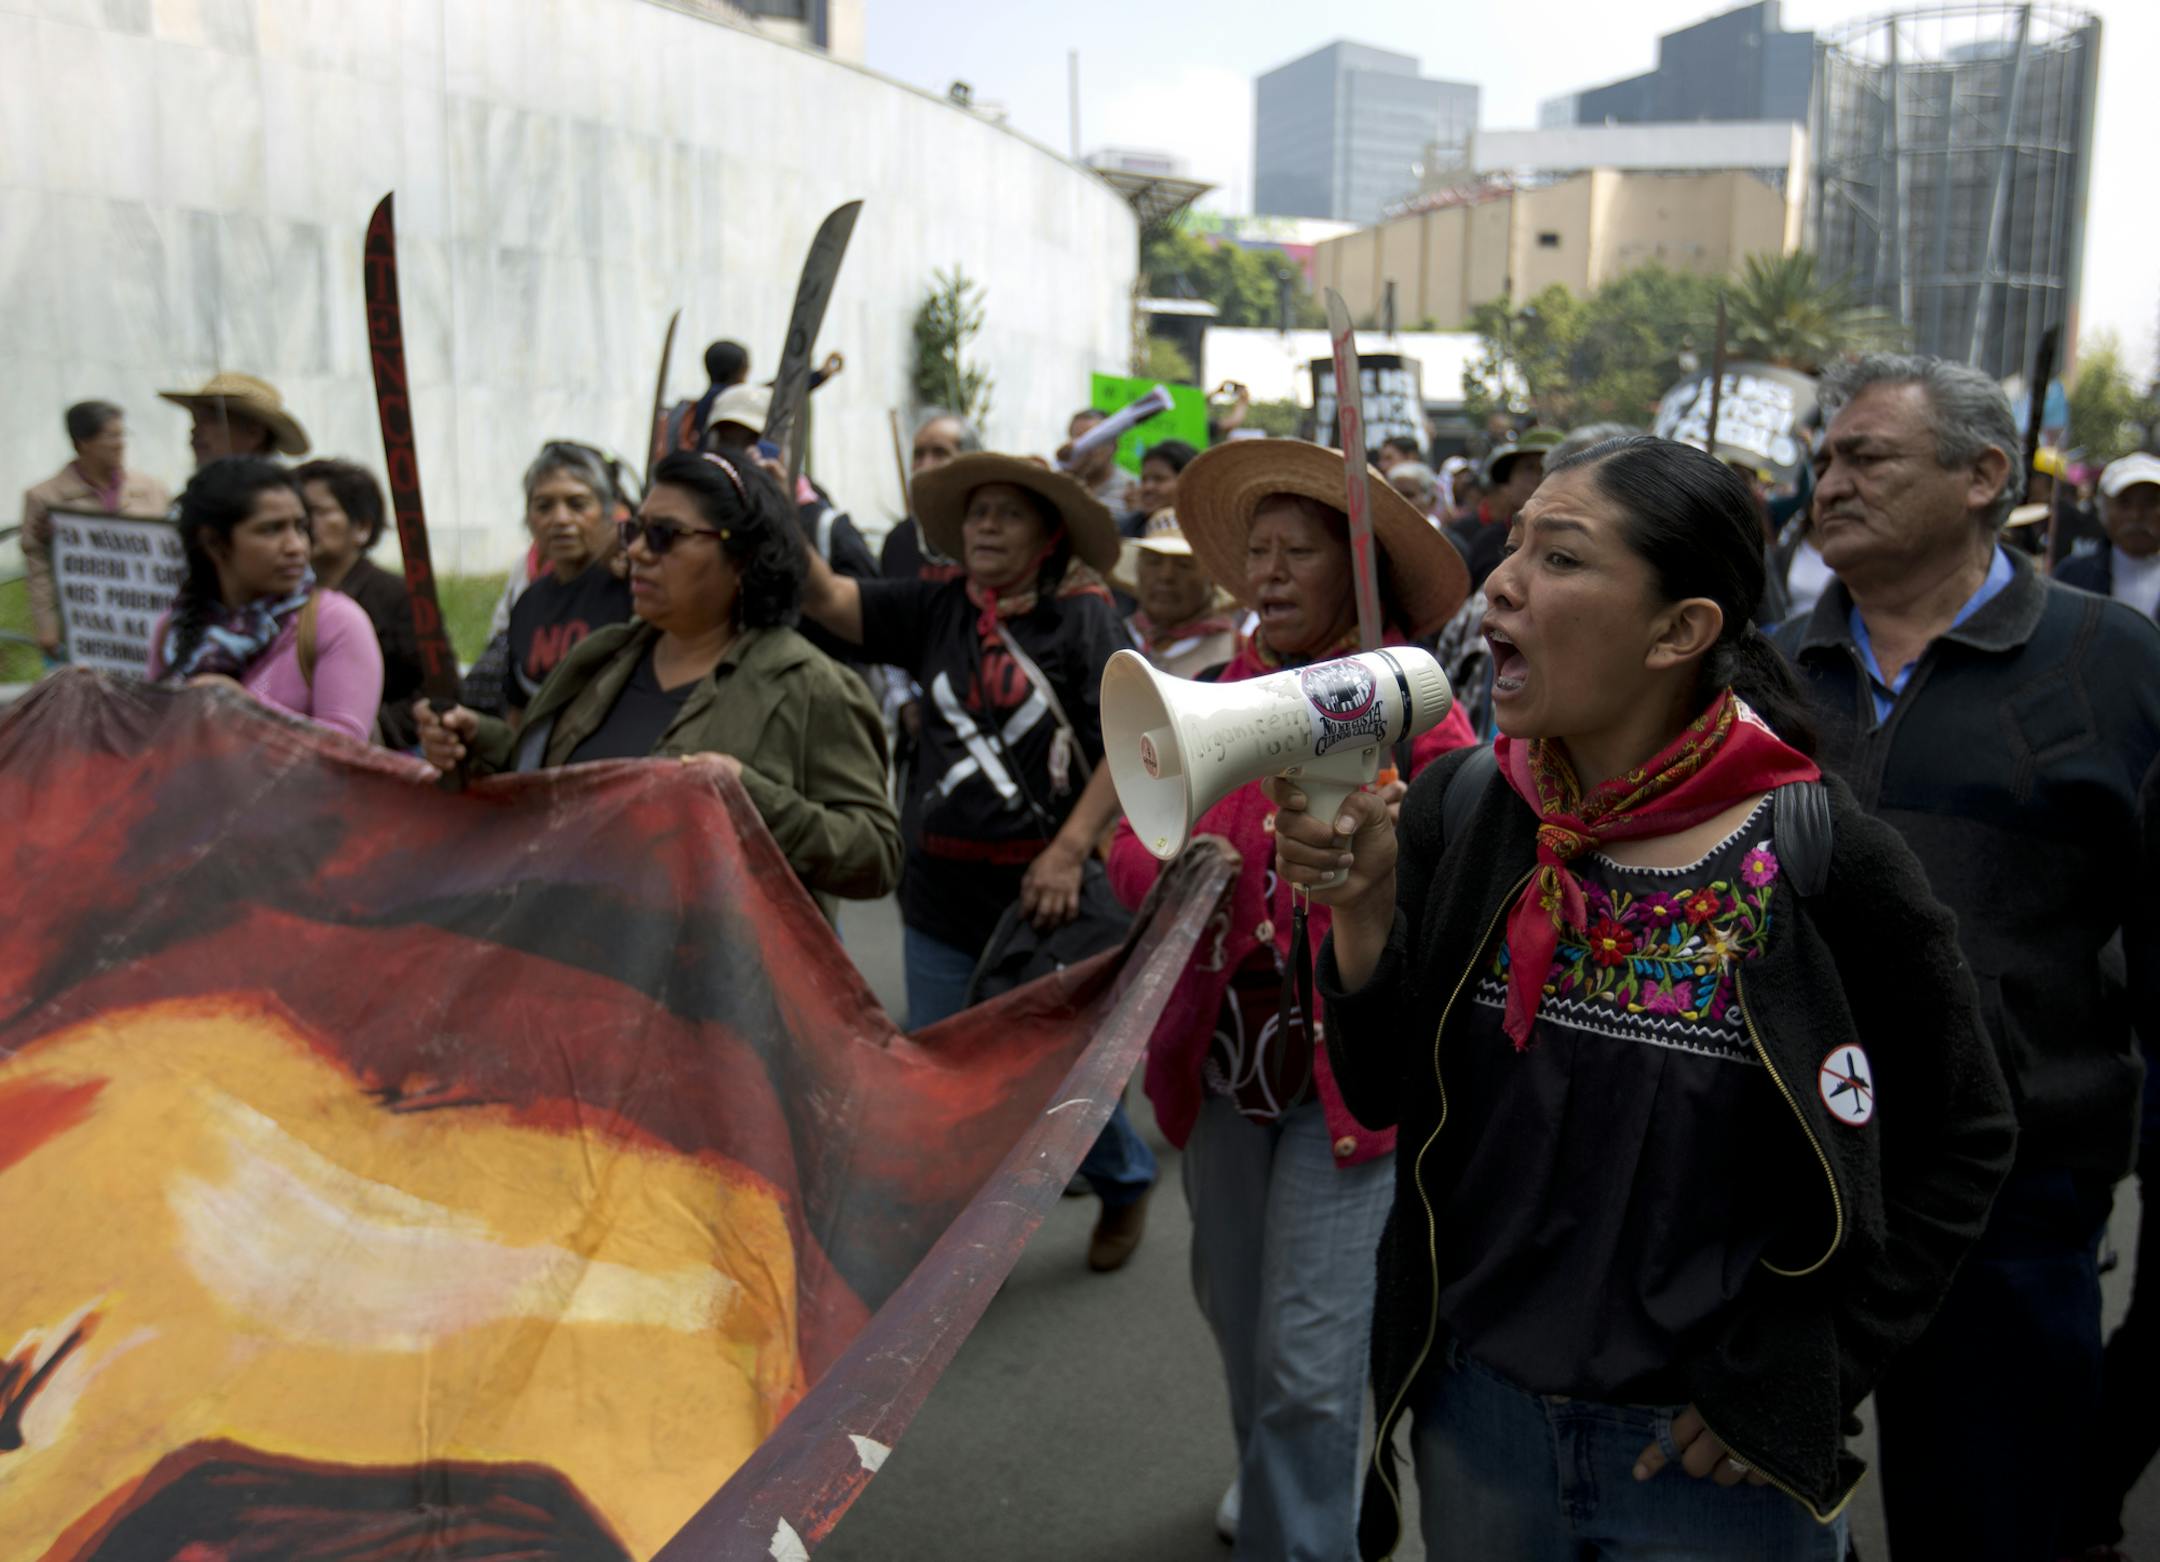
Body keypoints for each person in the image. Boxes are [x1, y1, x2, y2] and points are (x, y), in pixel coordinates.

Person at [1283, 433, 2015, 1562]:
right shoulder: (1464, 809)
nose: (1501, 584)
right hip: (1477, 1425)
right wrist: (1364, 908)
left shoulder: (1822, 855)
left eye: (1562, 558)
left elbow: (1963, 1130)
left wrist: (1803, 1371)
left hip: (1709, 1465)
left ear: (1681, 631)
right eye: (1513, 544)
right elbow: (1382, 1094)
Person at [1768, 354, 2160, 1562]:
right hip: (1791, 1187)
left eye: (1867, 456)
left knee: (1995, 1518)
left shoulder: (2114, 663)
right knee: (1747, 1509)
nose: (1830, 481)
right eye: (1823, 459)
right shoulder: (1769, 672)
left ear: (1985, 475)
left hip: (2015, 1195)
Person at [1106, 438, 1477, 1557]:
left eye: (1295, 551)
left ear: (1353, 568)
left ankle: (1301, 1526)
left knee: (1311, 1365)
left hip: (1348, 1090)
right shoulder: (1216, 695)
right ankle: (1279, 1485)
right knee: (1240, 1315)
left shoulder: (1416, 706)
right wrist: (1201, 853)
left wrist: (1385, 826)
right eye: (1255, 551)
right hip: (1228, 1068)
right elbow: (1135, 852)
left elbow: (1462, 852)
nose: (1267, 572)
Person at [793, 452, 1157, 1270]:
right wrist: (781, 494)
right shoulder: (933, 606)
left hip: (1046, 897)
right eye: (977, 512)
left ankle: (1125, 1178)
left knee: (1054, 1082)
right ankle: (955, 1260)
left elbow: (1132, 740)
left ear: (1049, 533)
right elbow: (825, 596)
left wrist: (1068, 853)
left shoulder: (1086, 619)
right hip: (938, 896)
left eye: (1009, 513)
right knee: (943, 1074)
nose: (986, 525)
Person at [414, 451, 899, 917]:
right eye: (635, 532)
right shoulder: (602, 658)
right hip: (572, 961)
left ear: (742, 557)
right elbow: (549, 775)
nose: (638, 553)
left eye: (665, 536)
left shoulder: (810, 686)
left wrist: (750, 797)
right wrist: (476, 740)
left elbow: (875, 855)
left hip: (714, 988)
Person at [148, 457, 384, 743]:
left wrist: (246, 712)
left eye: (300, 527)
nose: (296, 547)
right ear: (214, 542)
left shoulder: (333, 622)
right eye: (271, 530)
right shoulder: (173, 630)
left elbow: (347, 752)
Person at [19, 399, 171, 660]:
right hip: (84, 629)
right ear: (82, 443)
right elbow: (39, 568)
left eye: (122, 434)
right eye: (110, 436)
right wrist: (47, 626)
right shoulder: (46, 497)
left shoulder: (152, 490)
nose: (120, 443)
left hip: (144, 625)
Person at [296, 459, 423, 749]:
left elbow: (435, 690)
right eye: (297, 513)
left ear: (362, 526)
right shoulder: (285, 599)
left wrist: (367, 724)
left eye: (318, 511)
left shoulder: (396, 596)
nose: (304, 524)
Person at [503, 442, 634, 718]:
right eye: (544, 506)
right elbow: (517, 711)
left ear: (608, 511)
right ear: (529, 518)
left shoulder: (632, 591)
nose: (561, 519)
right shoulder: (528, 604)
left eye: (577, 504)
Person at [1115, 509, 1238, 678]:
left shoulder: (1236, 652)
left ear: (1211, 578)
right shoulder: (1109, 637)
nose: (1166, 576)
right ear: (1138, 570)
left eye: (1184, 565)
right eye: (1154, 562)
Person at [1447, 427, 1560, 590]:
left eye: (1548, 468)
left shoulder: (1582, 544)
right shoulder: (1486, 541)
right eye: (1528, 467)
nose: (1538, 477)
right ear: (1509, 481)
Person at [2054, 451, 2160, 617]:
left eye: (2150, 502)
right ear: (2103, 510)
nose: (2136, 515)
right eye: (2124, 503)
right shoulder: (2072, 576)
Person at [881, 409, 977, 584]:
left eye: (940, 453)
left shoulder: (986, 533)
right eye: (918, 454)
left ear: (970, 462)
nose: (925, 466)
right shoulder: (900, 540)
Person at [158, 372, 310, 467]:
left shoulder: (278, 499)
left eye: (209, 420)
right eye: (196, 421)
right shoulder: (202, 495)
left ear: (254, 433)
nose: (195, 431)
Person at [1064, 408, 1137, 513]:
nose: (1086, 448)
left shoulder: (1133, 491)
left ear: (1114, 444)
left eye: (1094, 439)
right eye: (1079, 440)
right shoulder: (1061, 486)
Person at [1123, 438, 1198, 537]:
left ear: (1187, 482)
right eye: (1143, 479)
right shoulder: (1126, 530)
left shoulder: (1206, 534)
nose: (1147, 487)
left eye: (1159, 479)